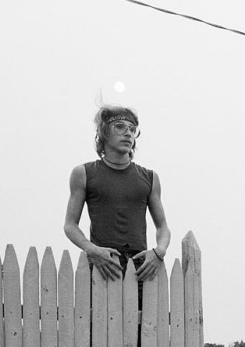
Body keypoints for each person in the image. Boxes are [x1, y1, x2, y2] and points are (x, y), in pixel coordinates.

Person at [64, 105, 171, 280]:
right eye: (120, 127)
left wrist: (159, 251)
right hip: (103, 262)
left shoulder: (150, 177)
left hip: (141, 267)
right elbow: (70, 225)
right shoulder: (83, 173)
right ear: (104, 132)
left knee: (143, 309)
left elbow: (163, 227)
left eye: (132, 129)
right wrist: (92, 250)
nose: (128, 133)